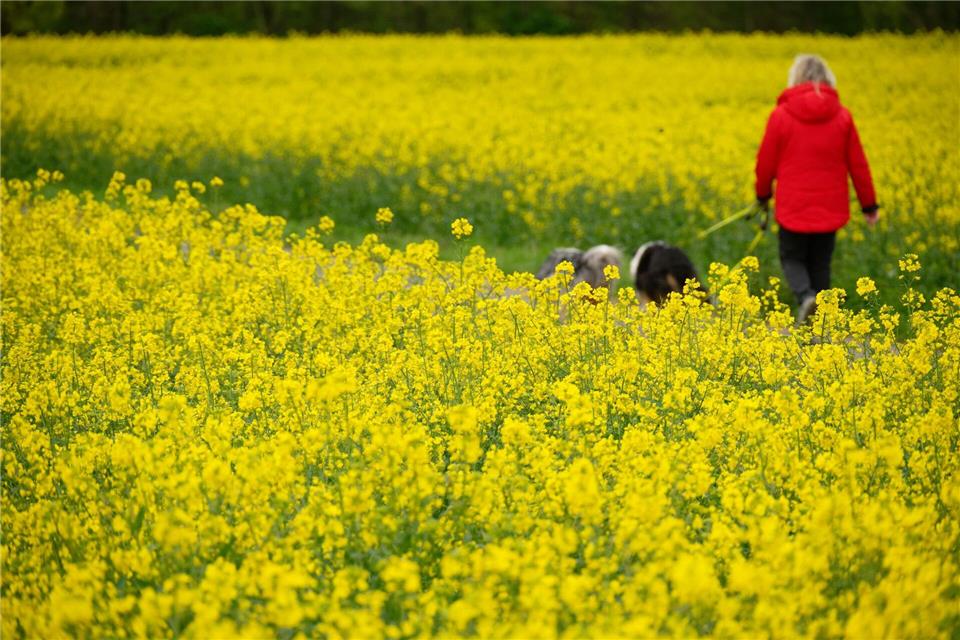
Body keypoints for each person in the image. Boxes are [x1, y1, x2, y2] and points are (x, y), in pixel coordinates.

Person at [755, 54, 879, 323]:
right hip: (830, 208)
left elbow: (765, 162)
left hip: (793, 207)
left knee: (792, 258)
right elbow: (859, 165)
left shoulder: (781, 116)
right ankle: (821, 317)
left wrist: (762, 195)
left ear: (796, 78)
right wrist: (869, 205)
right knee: (820, 262)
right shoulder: (843, 117)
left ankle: (806, 298)